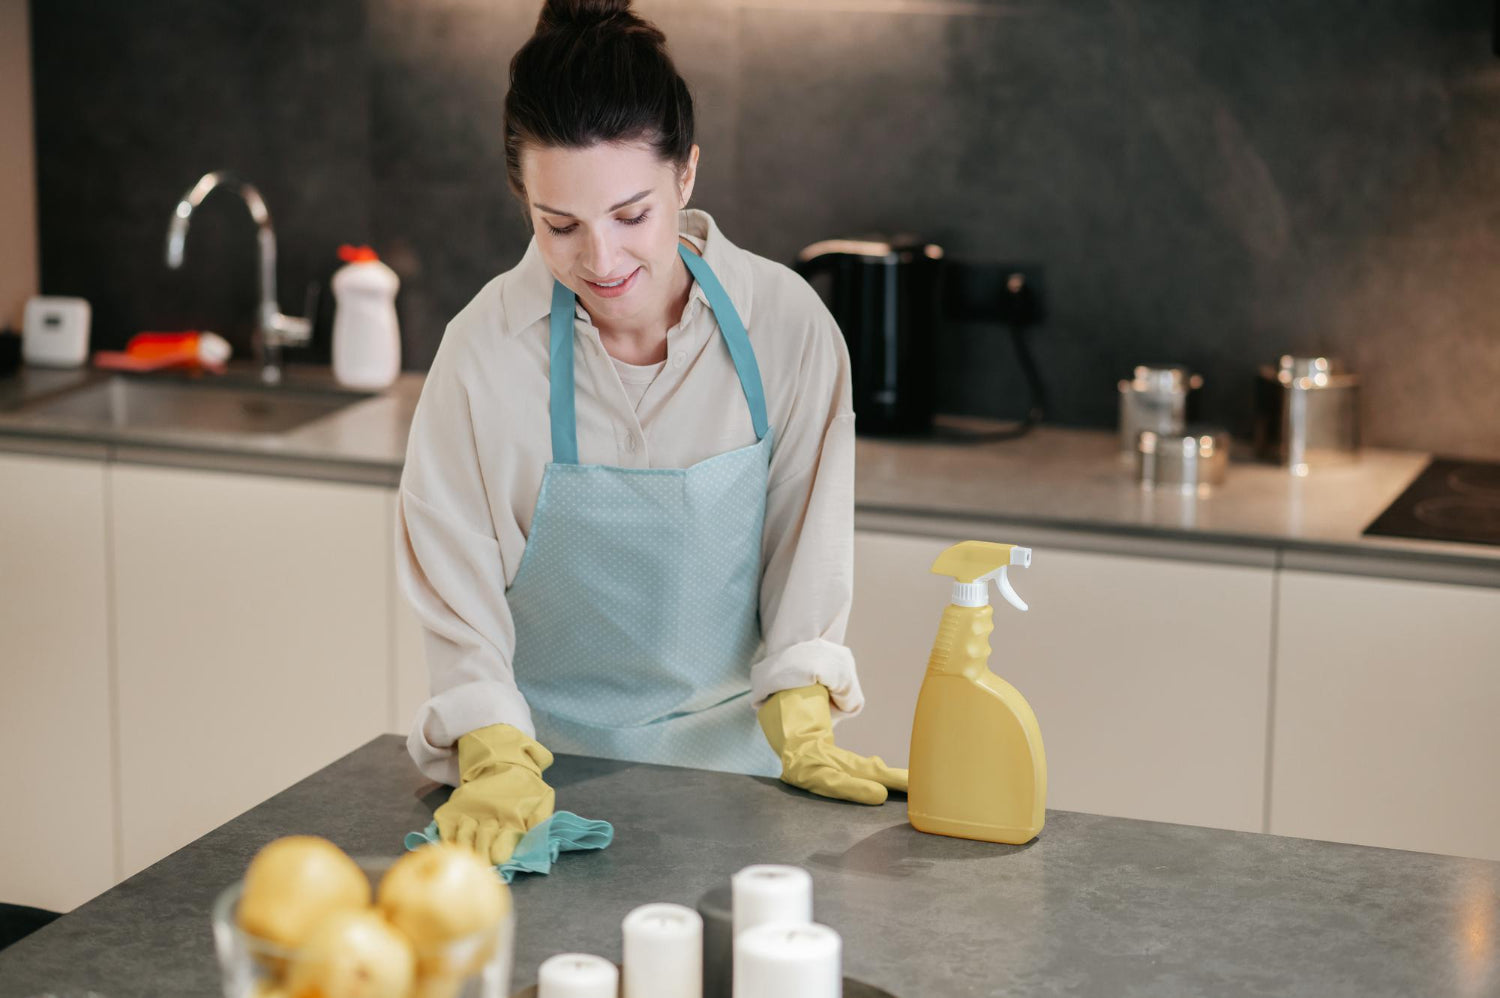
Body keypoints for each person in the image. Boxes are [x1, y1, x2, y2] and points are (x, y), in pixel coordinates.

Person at [397, 0, 906, 866]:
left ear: (686, 177)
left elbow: (806, 550)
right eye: (559, 225)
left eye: (631, 214)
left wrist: (803, 706)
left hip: (742, 788)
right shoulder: (483, 354)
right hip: (536, 789)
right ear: (524, 199)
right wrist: (489, 750)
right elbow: (458, 594)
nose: (601, 262)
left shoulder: (786, 326)